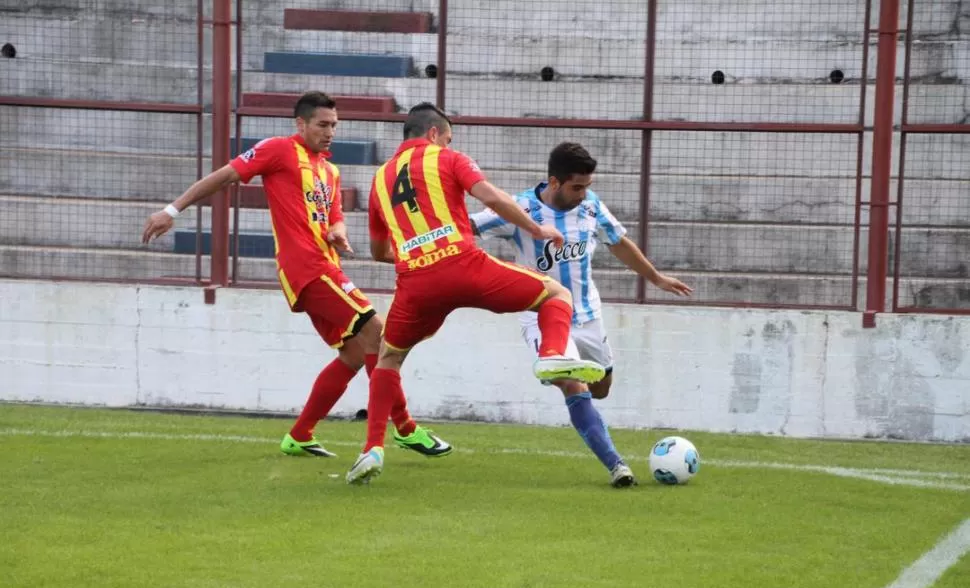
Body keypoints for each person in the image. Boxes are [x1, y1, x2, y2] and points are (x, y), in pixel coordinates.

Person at [141, 91, 452, 460]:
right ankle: (406, 429)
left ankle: (300, 435)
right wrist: (172, 211)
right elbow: (225, 176)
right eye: (322, 124)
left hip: (327, 266)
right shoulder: (277, 150)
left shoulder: (330, 170)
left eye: (334, 125)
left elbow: (334, 216)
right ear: (300, 124)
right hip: (306, 269)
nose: (330, 132)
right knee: (379, 334)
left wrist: (338, 232)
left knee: (355, 354)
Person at [345, 103, 608, 484]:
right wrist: (536, 230)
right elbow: (494, 199)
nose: (449, 142)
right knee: (554, 294)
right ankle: (551, 354)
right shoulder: (448, 158)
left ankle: (372, 450)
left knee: (388, 358)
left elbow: (377, 251)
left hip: (415, 280)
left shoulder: (379, 180)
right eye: (448, 136)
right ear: (434, 134)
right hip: (463, 265)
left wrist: (418, 256)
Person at [470, 142, 693, 487]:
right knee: (573, 385)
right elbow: (469, 225)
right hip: (541, 315)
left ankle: (587, 409)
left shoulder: (590, 206)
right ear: (554, 182)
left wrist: (655, 278)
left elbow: (617, 241)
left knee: (600, 388)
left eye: (587, 186)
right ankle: (618, 467)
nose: (584, 193)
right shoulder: (521, 208)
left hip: (588, 316)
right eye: (577, 187)